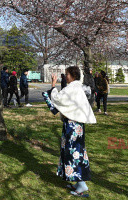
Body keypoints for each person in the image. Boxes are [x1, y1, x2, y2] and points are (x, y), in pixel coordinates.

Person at [41, 66, 96, 197]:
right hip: (76, 125)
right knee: (76, 152)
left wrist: (53, 86)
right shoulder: (76, 87)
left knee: (74, 153)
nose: (65, 76)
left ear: (72, 75)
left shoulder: (72, 88)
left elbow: (58, 100)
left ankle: (82, 184)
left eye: (67, 74)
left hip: (72, 126)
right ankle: (78, 182)